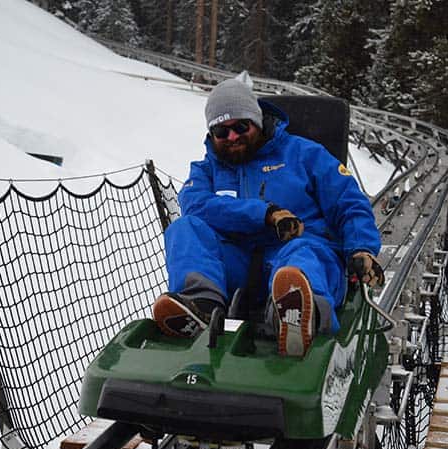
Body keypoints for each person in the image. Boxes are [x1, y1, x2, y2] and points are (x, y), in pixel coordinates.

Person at [152, 76, 384, 357]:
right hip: (241, 266)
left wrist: (361, 247)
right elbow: (196, 205)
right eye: (221, 132)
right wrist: (264, 214)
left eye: (240, 126)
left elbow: (348, 202)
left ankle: (296, 314)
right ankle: (202, 305)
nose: (232, 137)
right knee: (184, 229)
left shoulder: (305, 154)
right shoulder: (206, 169)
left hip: (302, 255)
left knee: (303, 251)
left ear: (257, 121)